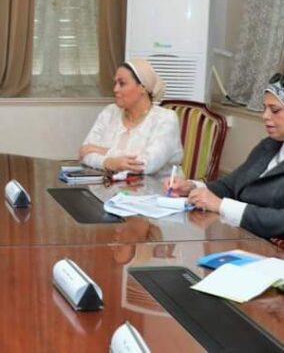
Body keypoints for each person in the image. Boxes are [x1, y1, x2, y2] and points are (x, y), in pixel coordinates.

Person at [167, 73, 284, 239]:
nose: (265, 116)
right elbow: (230, 186)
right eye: (264, 108)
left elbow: (280, 221)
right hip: (241, 238)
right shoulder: (269, 146)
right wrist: (191, 187)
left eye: (275, 110)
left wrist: (222, 206)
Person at [79, 58, 182, 175]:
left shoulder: (165, 119)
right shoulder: (109, 112)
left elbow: (144, 165)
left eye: (122, 83)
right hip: (112, 185)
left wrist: (102, 152)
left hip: (157, 186)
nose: (115, 89)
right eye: (115, 83)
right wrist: (109, 162)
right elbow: (84, 154)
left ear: (142, 88)